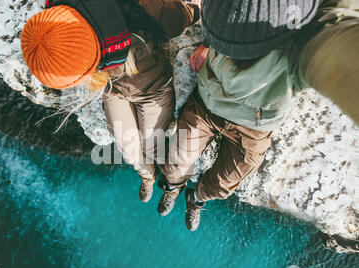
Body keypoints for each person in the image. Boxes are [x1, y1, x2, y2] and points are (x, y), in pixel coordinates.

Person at [158, 0, 359, 231]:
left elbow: (338, 51)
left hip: (253, 126)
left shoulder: (301, 45)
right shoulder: (231, 11)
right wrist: (208, 42)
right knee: (175, 162)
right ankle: (172, 187)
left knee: (223, 185)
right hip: (207, 105)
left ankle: (197, 198)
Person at [21, 0, 200, 202]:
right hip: (113, 90)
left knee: (153, 146)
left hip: (153, 91)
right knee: (129, 151)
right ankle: (148, 175)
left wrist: (193, 11)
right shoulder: (57, 22)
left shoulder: (139, 10)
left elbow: (175, 17)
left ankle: (173, 186)